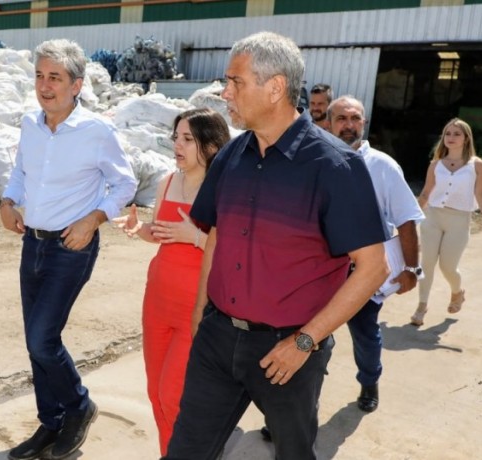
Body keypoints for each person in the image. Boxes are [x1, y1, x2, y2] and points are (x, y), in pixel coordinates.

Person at [164, 31, 389, 460]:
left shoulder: (335, 165)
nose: (225, 92)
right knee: (185, 452)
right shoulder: (231, 156)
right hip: (217, 337)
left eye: (236, 82)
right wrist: (200, 316)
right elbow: (217, 235)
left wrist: (305, 342)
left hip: (289, 352)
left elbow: (374, 267)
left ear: (275, 87)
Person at [0, 38, 137, 460]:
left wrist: (93, 219)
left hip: (71, 248)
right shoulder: (30, 124)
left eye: (55, 77)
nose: (45, 85)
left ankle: (79, 406)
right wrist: (7, 201)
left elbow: (125, 184)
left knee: (43, 340)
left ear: (76, 85)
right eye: (40, 76)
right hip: (33, 244)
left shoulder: (97, 132)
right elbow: (20, 172)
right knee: (35, 342)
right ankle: (51, 421)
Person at [112, 108, 230, 456]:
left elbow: (234, 252)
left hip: (196, 307)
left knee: (173, 396)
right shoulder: (167, 182)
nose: (177, 145)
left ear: (211, 145)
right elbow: (161, 233)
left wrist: (196, 237)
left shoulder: (223, 190)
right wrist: (140, 229)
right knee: (155, 392)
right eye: (176, 137)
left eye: (188, 139)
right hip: (157, 302)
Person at [328, 96, 425, 412]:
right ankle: (295, 403)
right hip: (322, 270)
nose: (348, 125)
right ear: (329, 123)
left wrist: (411, 269)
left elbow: (406, 220)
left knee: (365, 334)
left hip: (365, 274)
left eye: (355, 118)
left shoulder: (383, 166)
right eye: (341, 118)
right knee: (310, 335)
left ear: (364, 122)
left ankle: (369, 382)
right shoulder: (316, 161)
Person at [412, 118, 482, 326]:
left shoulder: (476, 165)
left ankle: (457, 292)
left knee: (448, 267)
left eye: (457, 134)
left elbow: (481, 193)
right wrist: (411, 219)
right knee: (426, 263)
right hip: (433, 217)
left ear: (466, 138)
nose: (451, 137)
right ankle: (422, 306)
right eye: (447, 134)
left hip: (459, 221)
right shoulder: (435, 164)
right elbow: (426, 193)